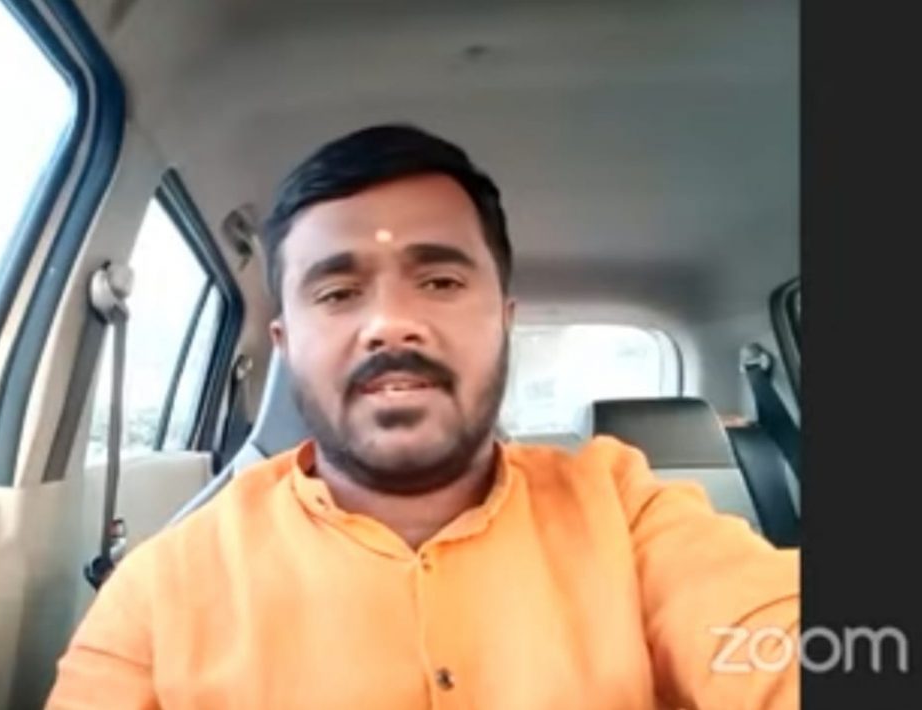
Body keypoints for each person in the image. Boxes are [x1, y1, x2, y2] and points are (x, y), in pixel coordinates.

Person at [47, 124, 800, 709]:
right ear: (285, 345)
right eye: (338, 293)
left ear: (504, 322)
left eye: (439, 281)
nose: (389, 326)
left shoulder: (630, 516)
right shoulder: (161, 589)